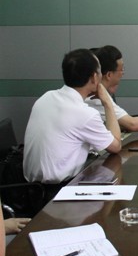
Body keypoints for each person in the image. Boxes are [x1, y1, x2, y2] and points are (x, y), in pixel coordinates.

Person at [24, 49, 122, 184]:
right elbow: (116, 146)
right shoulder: (85, 114)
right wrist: (107, 103)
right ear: (94, 77)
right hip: (57, 191)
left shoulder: (45, 98)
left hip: (28, 189)